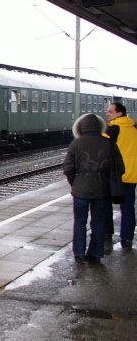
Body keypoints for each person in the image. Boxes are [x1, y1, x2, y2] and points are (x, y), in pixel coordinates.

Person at [63, 113, 125, 264]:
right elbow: (120, 167)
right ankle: (96, 254)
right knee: (98, 222)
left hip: (80, 191)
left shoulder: (76, 144)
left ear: (80, 127)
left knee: (79, 221)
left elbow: (68, 169)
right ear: (100, 126)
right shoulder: (109, 143)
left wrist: (76, 183)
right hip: (102, 190)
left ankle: (79, 253)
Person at [106, 102, 137, 248]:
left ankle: (107, 234)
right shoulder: (134, 128)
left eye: (110, 112)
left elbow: (102, 146)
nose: (108, 114)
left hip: (116, 174)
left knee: (106, 204)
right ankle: (127, 238)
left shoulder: (113, 129)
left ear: (119, 113)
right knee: (128, 207)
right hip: (132, 175)